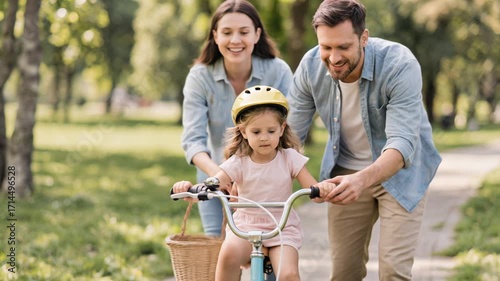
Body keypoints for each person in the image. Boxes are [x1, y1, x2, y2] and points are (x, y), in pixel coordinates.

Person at [286, 0, 442, 280]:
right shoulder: (310, 67)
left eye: (343, 47)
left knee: (394, 270)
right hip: (344, 174)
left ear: (364, 38)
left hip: (402, 172)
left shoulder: (399, 64)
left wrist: (361, 180)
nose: (333, 58)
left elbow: (402, 144)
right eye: (326, 47)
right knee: (344, 272)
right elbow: (288, 136)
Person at [173, 86, 336, 281]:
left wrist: (321, 190)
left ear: (282, 128)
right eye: (256, 131)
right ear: (243, 132)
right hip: (245, 227)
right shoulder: (238, 161)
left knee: (288, 274)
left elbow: (312, 190)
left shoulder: (290, 158)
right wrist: (192, 189)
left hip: (281, 227)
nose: (264, 137)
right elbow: (215, 183)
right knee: (227, 257)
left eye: (271, 130)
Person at [181, 0, 293, 238]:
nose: (235, 40)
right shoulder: (200, 77)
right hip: (213, 182)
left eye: (243, 32)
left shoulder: (278, 71)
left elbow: (289, 131)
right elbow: (193, 141)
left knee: (266, 258)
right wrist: (220, 177)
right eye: (227, 32)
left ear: (257, 34)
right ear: (215, 36)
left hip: (266, 185)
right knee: (218, 252)